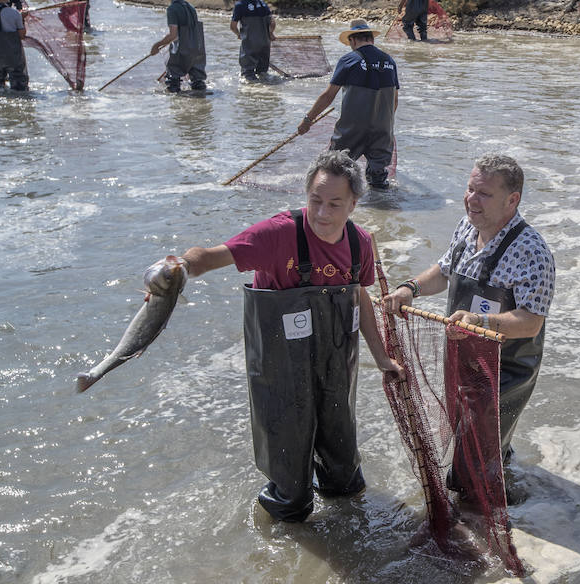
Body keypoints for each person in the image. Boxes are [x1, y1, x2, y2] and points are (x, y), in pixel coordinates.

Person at [162, 150, 401, 522]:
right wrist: (175, 272)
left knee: (344, 474)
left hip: (336, 362)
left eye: (335, 204)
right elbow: (207, 257)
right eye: (315, 200)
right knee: (290, 488)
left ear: (354, 203)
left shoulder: (361, 244)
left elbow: (359, 296)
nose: (322, 213)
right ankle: (282, 538)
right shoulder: (277, 233)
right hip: (279, 367)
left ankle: (346, 524)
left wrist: (382, 357)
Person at [383, 153, 555, 498]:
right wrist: (410, 288)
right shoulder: (468, 226)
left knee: (470, 460)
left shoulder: (532, 252)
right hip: (462, 359)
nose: (471, 200)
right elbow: (444, 271)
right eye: (469, 189)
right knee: (482, 442)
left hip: (506, 371)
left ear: (513, 199)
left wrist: (481, 321)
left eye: (483, 194)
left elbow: (531, 323)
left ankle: (478, 515)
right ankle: (508, 485)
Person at [297, 19, 398, 190]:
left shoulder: (349, 60)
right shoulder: (390, 62)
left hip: (351, 130)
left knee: (334, 172)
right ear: (371, 39)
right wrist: (384, 125)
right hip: (382, 131)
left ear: (352, 40)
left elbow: (328, 96)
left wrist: (308, 120)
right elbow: (394, 101)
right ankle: (380, 212)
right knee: (378, 184)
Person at [150, 0, 206, 93]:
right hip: (198, 50)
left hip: (182, 51)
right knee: (198, 85)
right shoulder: (191, 7)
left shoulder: (172, 9)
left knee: (173, 85)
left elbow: (173, 35)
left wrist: (156, 46)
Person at [229, 0, 275, 82]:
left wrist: (238, 34)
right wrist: (270, 33)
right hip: (265, 45)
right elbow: (272, 22)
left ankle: (251, 95)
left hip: (250, 45)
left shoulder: (240, 5)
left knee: (248, 77)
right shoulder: (263, 4)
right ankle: (266, 93)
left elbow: (233, 26)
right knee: (263, 74)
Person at [0, 0, 28, 92]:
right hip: (12, 58)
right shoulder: (14, 14)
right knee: (20, 90)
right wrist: (22, 19)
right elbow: (22, 35)